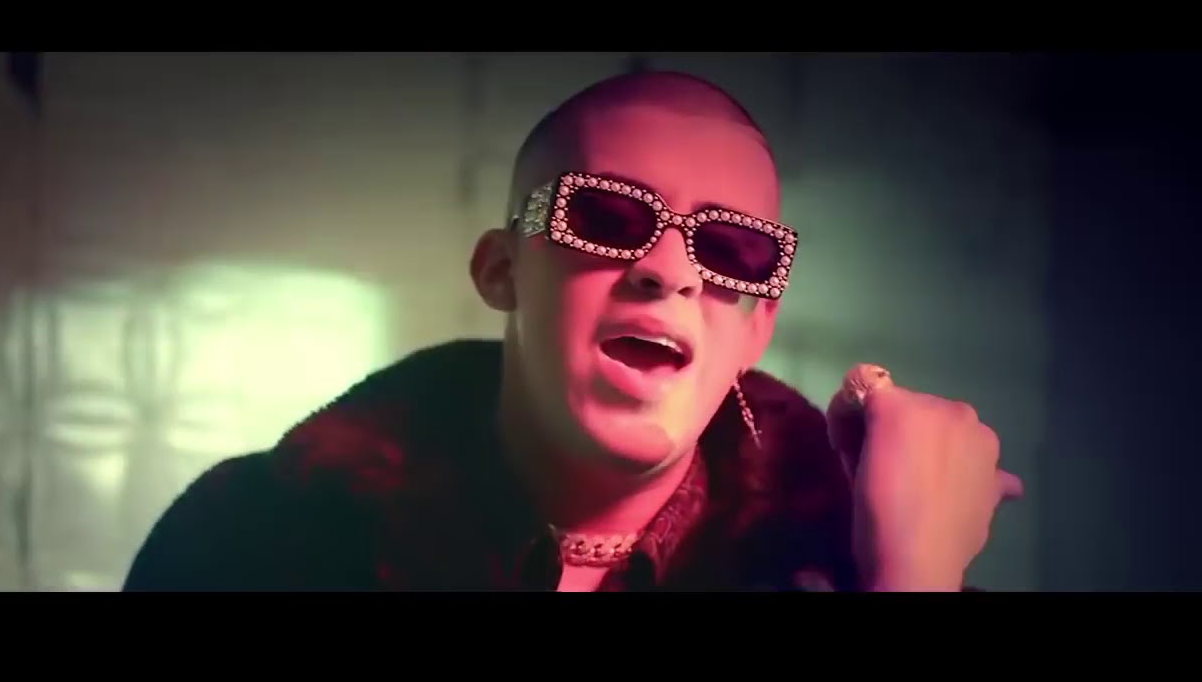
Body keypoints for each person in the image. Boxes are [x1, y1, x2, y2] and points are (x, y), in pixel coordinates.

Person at [122, 70, 1023, 592]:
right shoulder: (245, 541)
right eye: (608, 216)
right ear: (500, 270)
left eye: (732, 249)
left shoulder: (858, 563)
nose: (670, 271)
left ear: (758, 332)